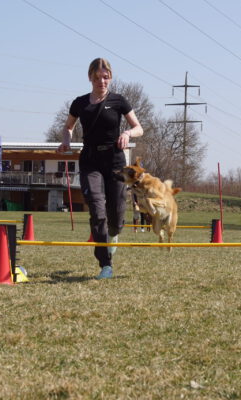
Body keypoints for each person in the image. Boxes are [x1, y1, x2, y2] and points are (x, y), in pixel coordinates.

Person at [58, 58, 143, 279]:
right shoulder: (79, 103)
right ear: (90, 78)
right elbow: (68, 127)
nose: (101, 81)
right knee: (96, 209)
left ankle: (114, 233)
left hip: (115, 162)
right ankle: (105, 264)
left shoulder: (119, 101)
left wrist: (127, 133)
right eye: (97, 77)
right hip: (90, 160)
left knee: (116, 213)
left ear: (110, 78)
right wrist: (66, 140)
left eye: (105, 77)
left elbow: (138, 127)